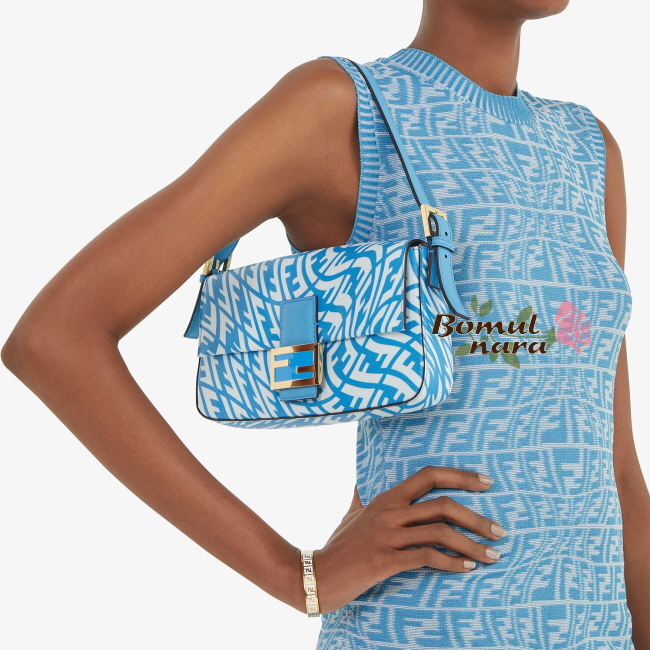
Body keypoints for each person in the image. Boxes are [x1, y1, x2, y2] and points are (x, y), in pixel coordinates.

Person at [2, 0, 648, 648]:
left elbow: (618, 471)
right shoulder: (345, 108)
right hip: (418, 631)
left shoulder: (588, 148)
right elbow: (56, 339)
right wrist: (298, 576)